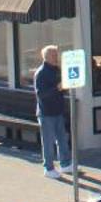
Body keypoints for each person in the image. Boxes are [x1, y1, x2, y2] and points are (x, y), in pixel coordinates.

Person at [34, 45, 73, 180]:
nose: (56, 57)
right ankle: (48, 168)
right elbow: (42, 94)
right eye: (54, 55)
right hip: (46, 113)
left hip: (58, 110)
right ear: (47, 57)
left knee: (62, 139)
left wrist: (65, 87)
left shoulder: (57, 70)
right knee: (48, 142)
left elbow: (62, 88)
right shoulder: (41, 73)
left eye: (57, 54)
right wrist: (57, 88)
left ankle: (65, 163)